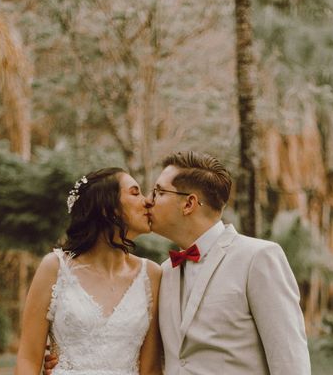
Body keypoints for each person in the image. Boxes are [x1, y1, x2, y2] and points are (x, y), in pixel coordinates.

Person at [45, 151, 311, 374]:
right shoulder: (163, 273)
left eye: (158, 192)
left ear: (188, 204)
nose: (148, 201)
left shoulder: (258, 258)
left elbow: (290, 362)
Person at [15, 167, 163, 375]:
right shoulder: (55, 267)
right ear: (107, 208)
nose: (147, 201)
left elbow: (151, 369)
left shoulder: (152, 275)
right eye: (135, 192)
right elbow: (28, 359)